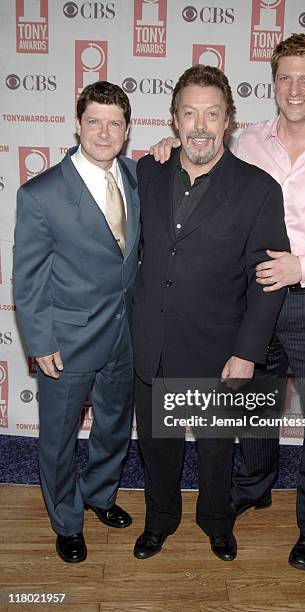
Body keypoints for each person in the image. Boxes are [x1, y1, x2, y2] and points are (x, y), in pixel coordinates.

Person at [149, 34, 305, 569]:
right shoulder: (248, 140)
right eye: (285, 77)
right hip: (251, 302)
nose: (295, 88)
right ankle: (252, 487)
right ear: (273, 82)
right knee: (252, 408)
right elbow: (200, 158)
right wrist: (164, 151)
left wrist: (304, 265)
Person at [132, 65, 289, 562]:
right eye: (189, 113)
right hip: (152, 342)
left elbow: (265, 284)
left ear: (228, 121)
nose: (200, 125)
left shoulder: (258, 189)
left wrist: (247, 353)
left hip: (218, 351)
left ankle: (217, 522)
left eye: (212, 114)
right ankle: (159, 520)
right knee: (158, 445)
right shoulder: (146, 171)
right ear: (175, 119)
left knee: (218, 447)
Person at [13, 81, 141, 564]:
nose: (104, 132)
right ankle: (66, 521)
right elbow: (26, 278)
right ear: (78, 124)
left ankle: (100, 496)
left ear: (126, 130)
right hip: (65, 341)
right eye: (94, 121)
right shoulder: (41, 193)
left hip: (124, 334)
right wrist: (40, 339)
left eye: (114, 123)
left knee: (113, 425)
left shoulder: (133, 175)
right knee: (59, 437)